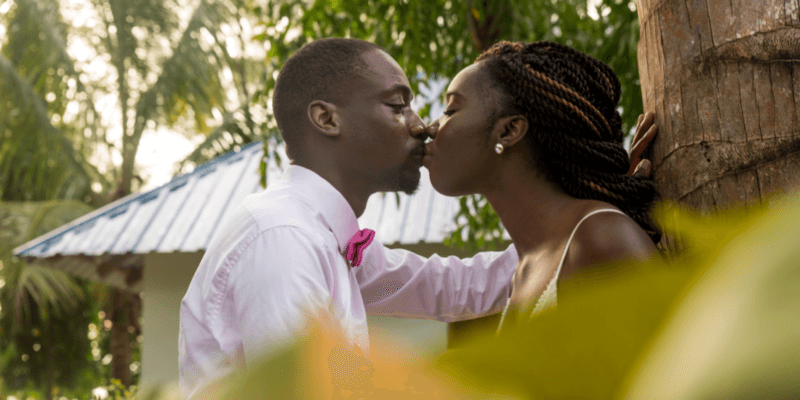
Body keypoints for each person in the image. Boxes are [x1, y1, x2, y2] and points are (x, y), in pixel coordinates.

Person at [178, 38, 656, 397]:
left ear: (510, 132)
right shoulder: (283, 239)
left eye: (442, 109)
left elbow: (455, 286)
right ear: (327, 120)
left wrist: (601, 189)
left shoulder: (331, 244)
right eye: (397, 104)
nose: (422, 124)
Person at [423, 40, 660, 331]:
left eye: (450, 110)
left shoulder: (602, 240)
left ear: (509, 131)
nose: (430, 127)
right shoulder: (524, 270)